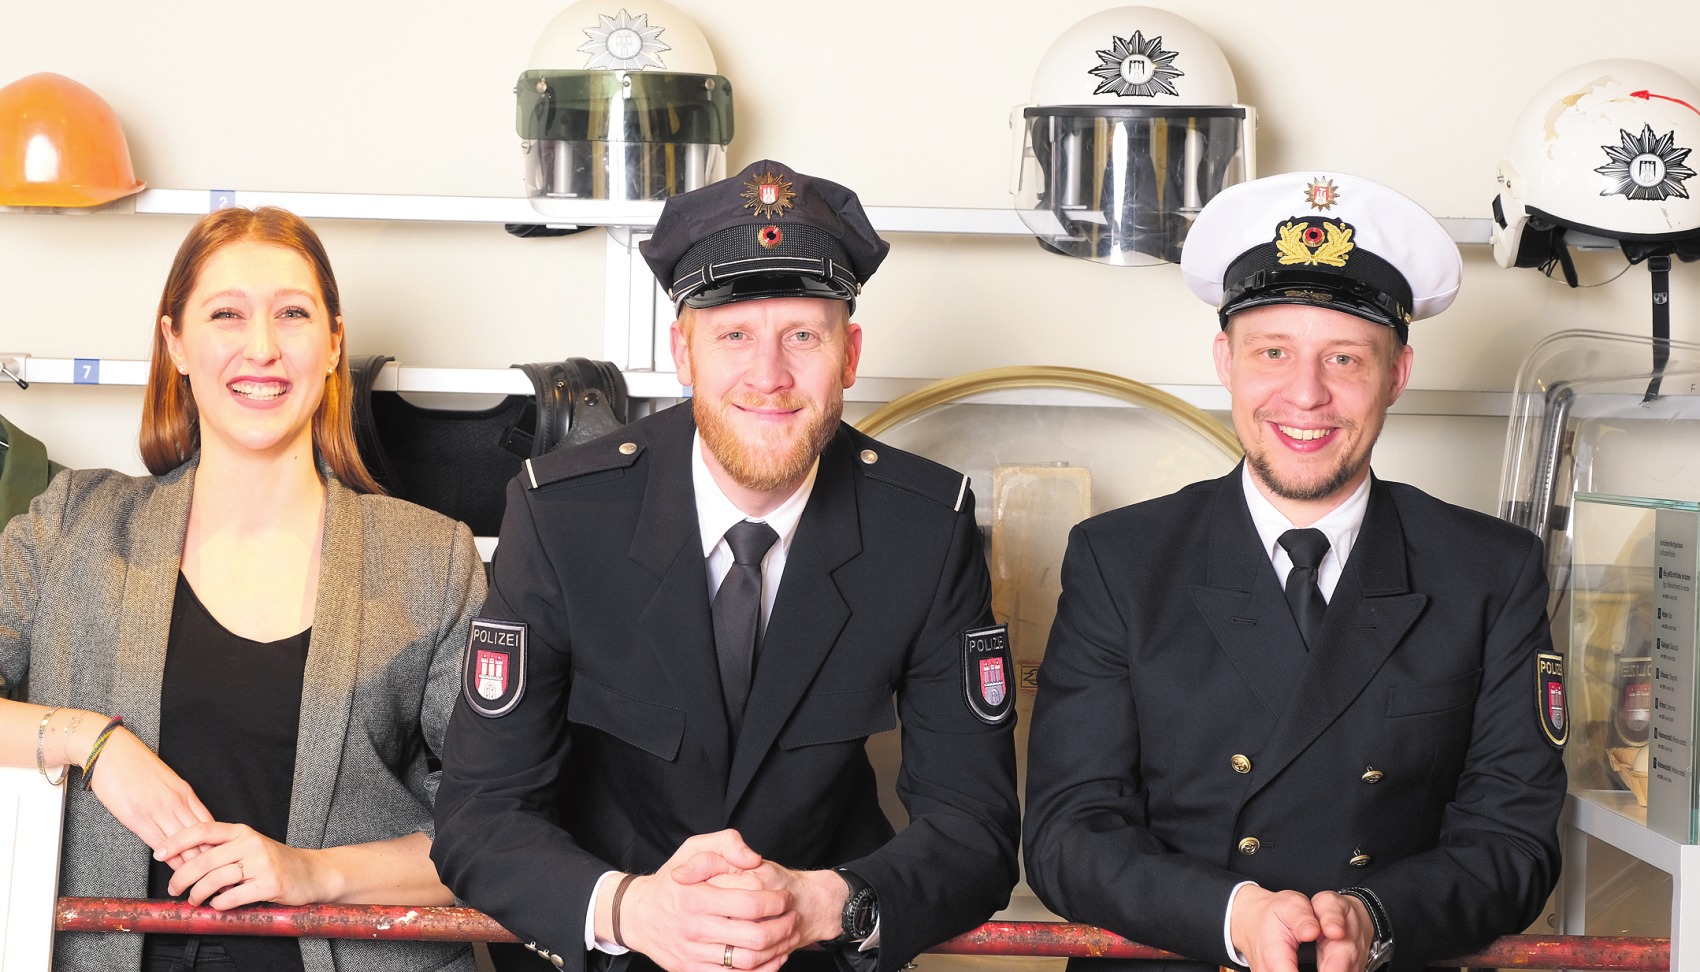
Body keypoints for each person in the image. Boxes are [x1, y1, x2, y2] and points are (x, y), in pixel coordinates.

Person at [432, 159, 1020, 972]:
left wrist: (826, 903)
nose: (769, 376)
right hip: (612, 955)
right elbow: (480, 814)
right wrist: (632, 909)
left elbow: (975, 825)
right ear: (683, 351)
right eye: (734, 334)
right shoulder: (565, 514)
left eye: (802, 337)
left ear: (850, 354)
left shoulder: (922, 528)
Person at [1022, 171, 1567, 972]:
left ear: (1398, 374)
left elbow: (1515, 844)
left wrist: (1373, 919)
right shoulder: (1120, 560)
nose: (1305, 396)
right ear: (1226, 361)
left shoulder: (1491, 572)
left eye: (1345, 358)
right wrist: (1233, 915)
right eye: (1273, 352)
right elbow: (1067, 835)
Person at [0, 206, 484, 971]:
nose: (261, 347)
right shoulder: (72, 529)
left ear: (331, 345)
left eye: (292, 314)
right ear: (176, 343)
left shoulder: (432, 560)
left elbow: (498, 829)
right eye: (226, 314)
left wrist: (311, 874)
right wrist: (89, 742)